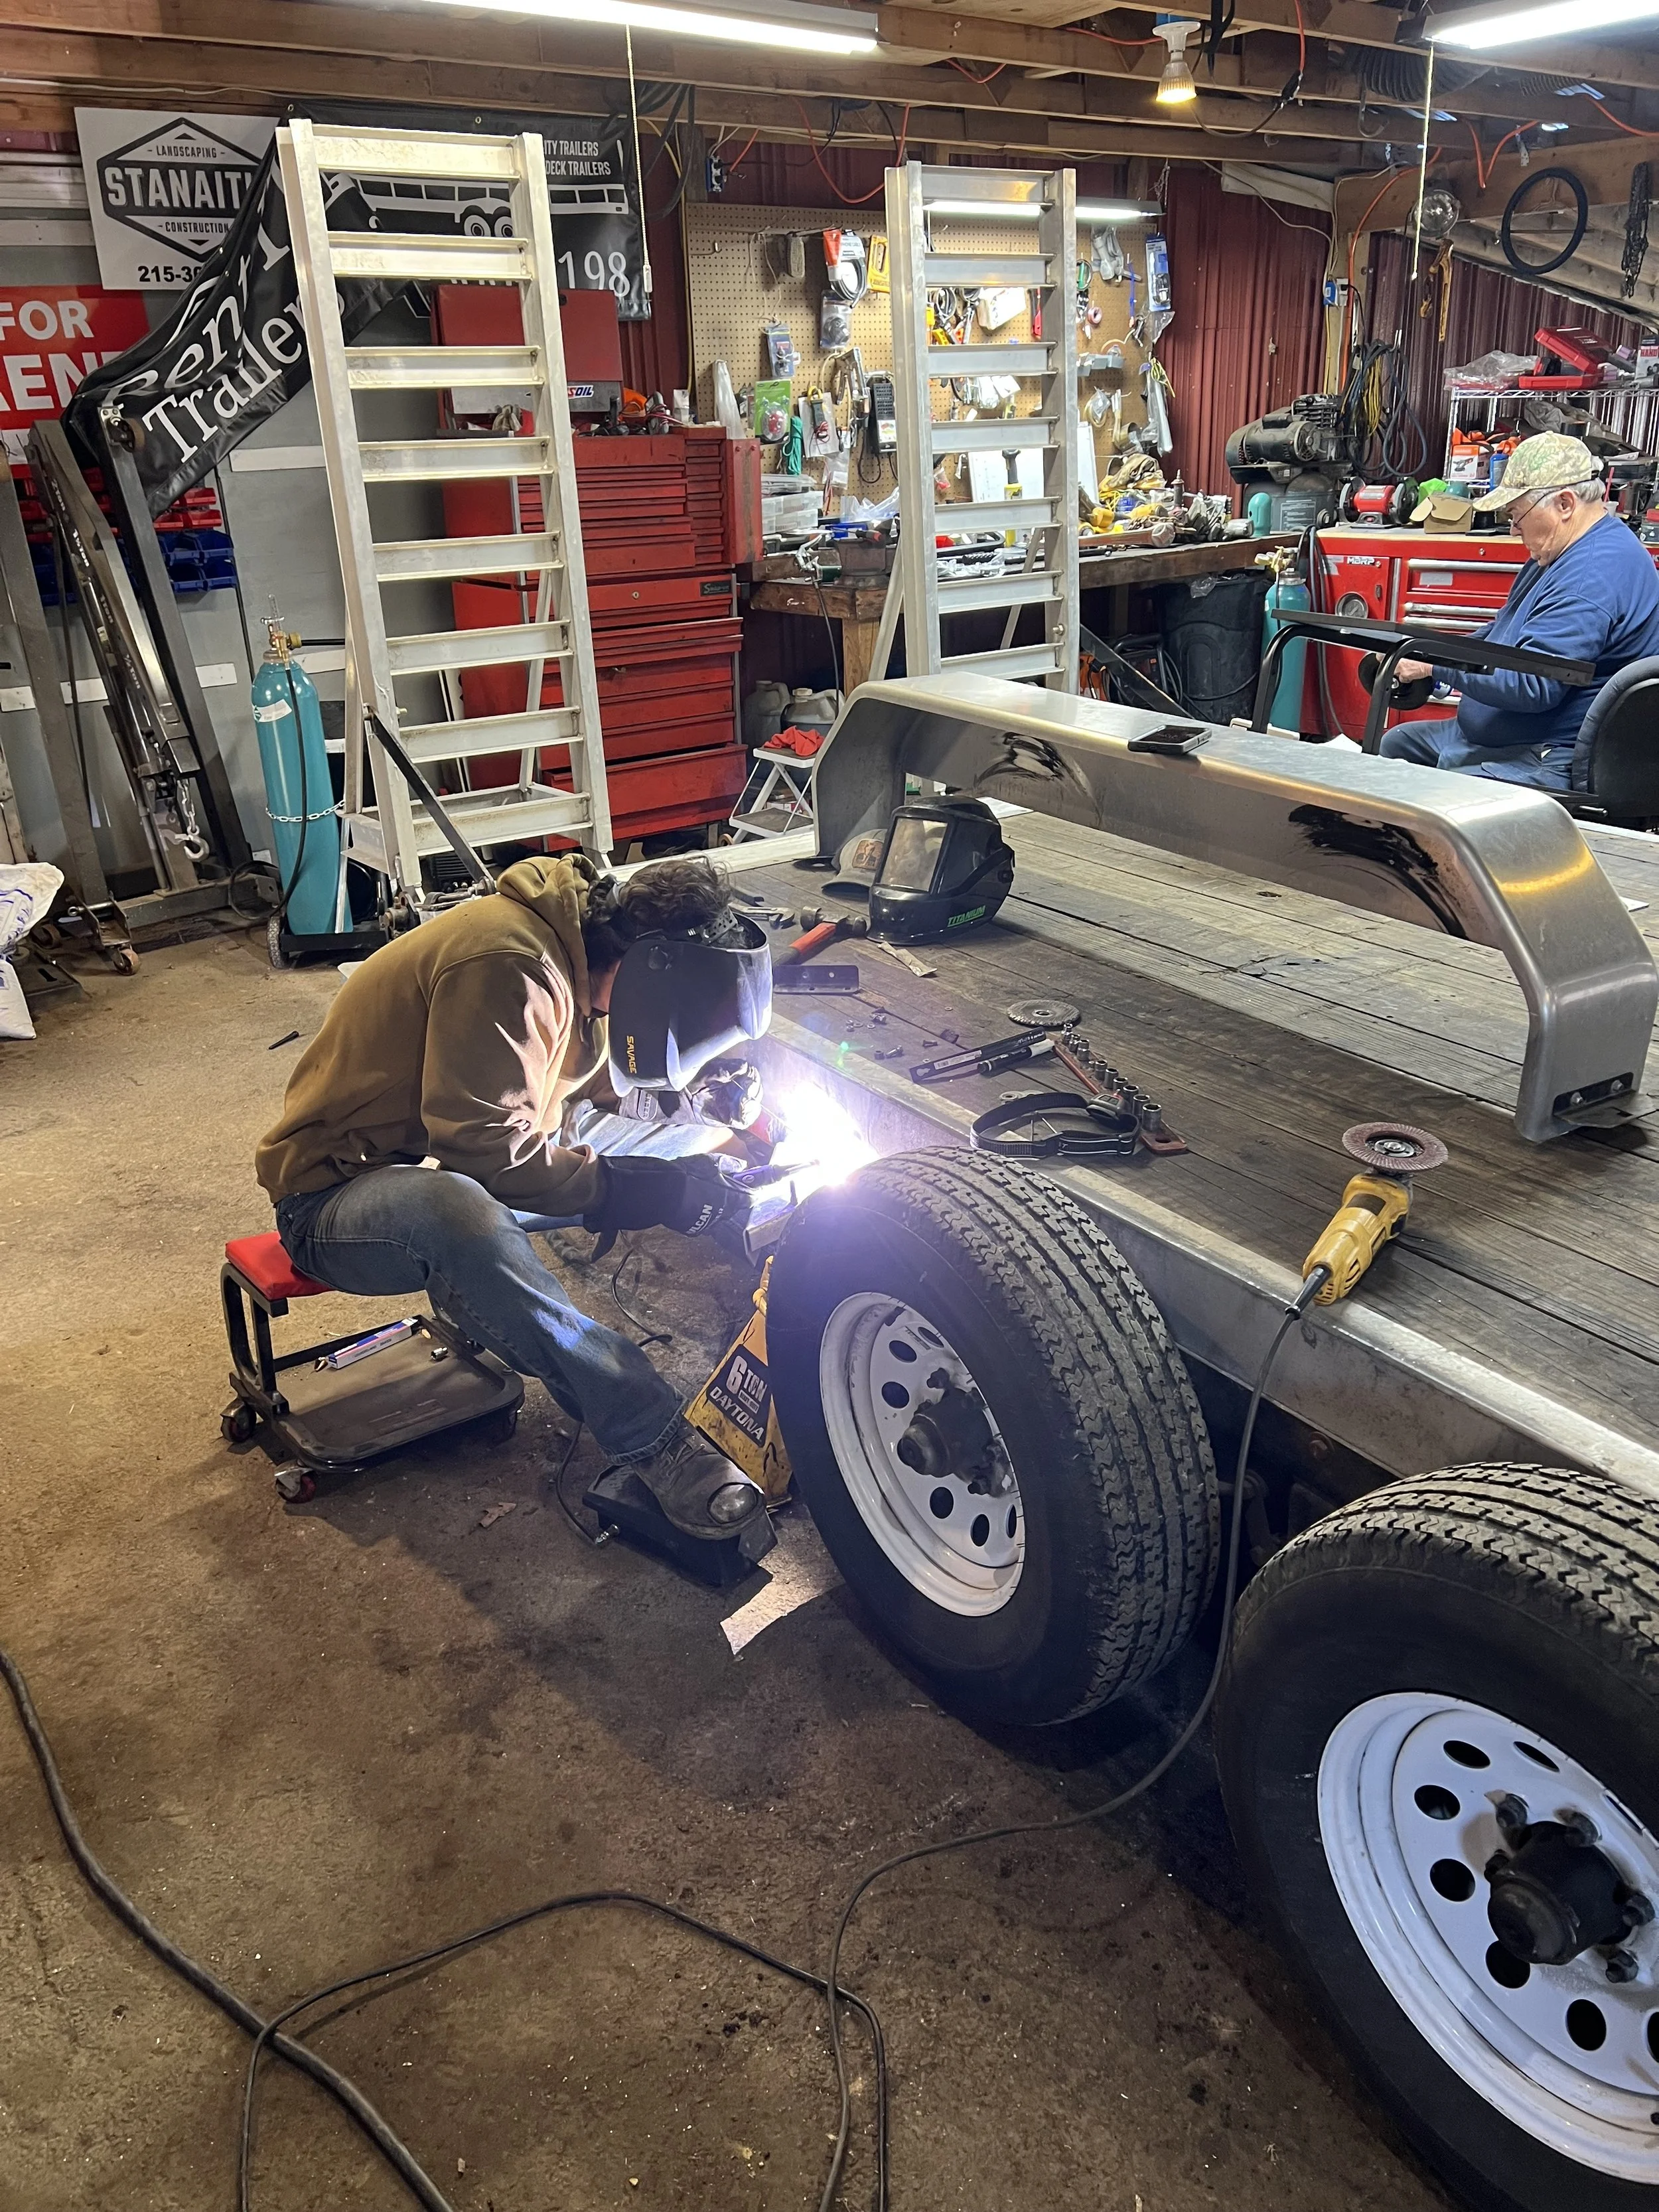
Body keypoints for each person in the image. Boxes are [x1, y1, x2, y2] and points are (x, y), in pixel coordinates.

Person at [255, 853, 774, 1551]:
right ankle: (650, 1436)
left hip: (437, 1161)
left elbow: (579, 1090)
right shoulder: (510, 963)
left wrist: (698, 1111)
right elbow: (488, 1152)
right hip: (334, 1198)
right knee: (458, 1212)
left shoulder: (581, 955)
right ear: (651, 973)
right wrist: (632, 1188)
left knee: (671, 1157)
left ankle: (493, 1284)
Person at [1380, 432, 1659, 790]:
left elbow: (1533, 684)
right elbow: (1500, 633)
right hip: (1499, 735)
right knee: (1395, 746)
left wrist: (1435, 665)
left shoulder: (1591, 575)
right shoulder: (1557, 551)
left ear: (1565, 504)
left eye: (1517, 514)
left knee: (1427, 799)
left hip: (1545, 753)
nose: (1513, 530)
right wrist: (1432, 657)